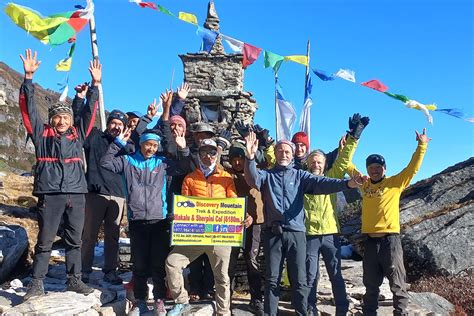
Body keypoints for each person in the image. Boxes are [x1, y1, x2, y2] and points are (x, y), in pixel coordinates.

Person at [243, 132, 364, 316]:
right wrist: (250, 157)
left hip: (297, 234)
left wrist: (347, 184)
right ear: (275, 154)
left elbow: (324, 183)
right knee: (272, 279)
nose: (284, 154)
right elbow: (252, 179)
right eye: (280, 151)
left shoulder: (300, 176)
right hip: (273, 234)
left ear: (292, 156)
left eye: (287, 152)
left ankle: (302, 313)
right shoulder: (266, 175)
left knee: (300, 279)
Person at [19, 49, 101, 300]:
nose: (63, 120)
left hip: (76, 193)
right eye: (58, 117)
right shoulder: (41, 135)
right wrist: (28, 79)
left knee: (75, 240)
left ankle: (74, 280)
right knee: (45, 241)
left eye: (66, 117)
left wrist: (95, 86)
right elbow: (27, 109)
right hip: (50, 193)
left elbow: (90, 113)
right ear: (52, 120)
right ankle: (36, 283)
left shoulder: (78, 135)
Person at [101, 90, 189, 316]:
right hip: (137, 220)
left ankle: (159, 299)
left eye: (153, 145)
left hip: (159, 220)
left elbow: (185, 166)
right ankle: (141, 300)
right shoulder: (128, 161)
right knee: (139, 265)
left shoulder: (163, 163)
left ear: (157, 146)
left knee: (158, 265)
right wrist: (119, 141)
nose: (150, 147)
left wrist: (182, 147)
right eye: (147, 144)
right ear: (141, 144)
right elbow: (105, 162)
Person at [166, 138, 253, 316]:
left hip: (219, 236)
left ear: (217, 155)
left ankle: (223, 311)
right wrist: (178, 215)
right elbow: (185, 203)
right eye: (204, 152)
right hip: (195, 236)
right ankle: (181, 301)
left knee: (222, 277)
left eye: (212, 152)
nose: (208, 156)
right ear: (198, 155)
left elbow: (233, 202)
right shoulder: (190, 179)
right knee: (172, 263)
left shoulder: (225, 177)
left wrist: (245, 216)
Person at [359, 128, 430, 316]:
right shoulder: (363, 185)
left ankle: (401, 313)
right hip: (370, 242)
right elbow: (346, 165)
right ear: (367, 170)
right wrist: (349, 142)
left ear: (385, 168)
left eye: (378, 167)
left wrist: (421, 145)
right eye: (371, 168)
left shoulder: (395, 182)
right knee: (370, 285)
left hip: (390, 241)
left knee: (397, 284)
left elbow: (412, 168)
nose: (374, 170)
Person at [305, 114, 369, 316]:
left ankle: (342, 309)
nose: (316, 164)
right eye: (313, 162)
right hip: (309, 235)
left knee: (335, 274)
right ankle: (310, 309)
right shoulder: (302, 180)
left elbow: (342, 161)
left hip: (331, 234)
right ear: (308, 164)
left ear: (324, 165)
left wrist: (354, 137)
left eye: (319, 162)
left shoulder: (331, 178)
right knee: (310, 276)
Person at [80, 107, 129, 285]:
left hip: (117, 195)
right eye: (113, 123)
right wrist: (82, 101)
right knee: (89, 234)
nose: (116, 127)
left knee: (113, 235)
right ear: (108, 124)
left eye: (120, 124)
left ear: (124, 128)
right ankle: (84, 270)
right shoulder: (94, 137)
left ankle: (110, 271)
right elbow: (81, 123)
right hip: (95, 192)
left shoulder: (126, 145)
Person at [227, 141, 265, 316]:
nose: (237, 163)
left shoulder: (256, 172)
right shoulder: (227, 175)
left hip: (255, 222)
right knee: (229, 261)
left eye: (240, 158)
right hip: (231, 225)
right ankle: (226, 298)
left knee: (252, 259)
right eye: (233, 159)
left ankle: (256, 299)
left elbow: (264, 159)